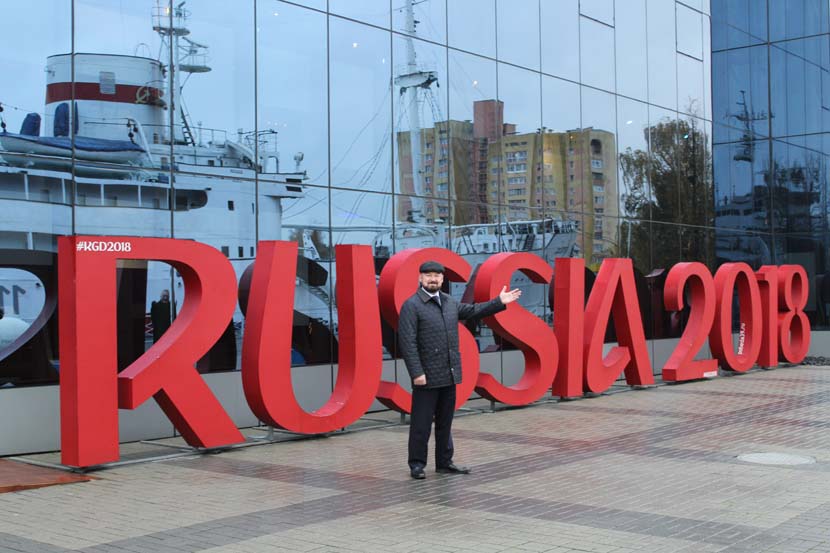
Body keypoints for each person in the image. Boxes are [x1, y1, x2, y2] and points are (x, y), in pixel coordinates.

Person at [397, 260, 522, 480]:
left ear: (442, 279)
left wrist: (499, 302)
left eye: (437, 275)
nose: (433, 279)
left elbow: (473, 310)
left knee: (445, 423)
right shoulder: (412, 305)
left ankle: (444, 462)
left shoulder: (449, 302)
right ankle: (416, 464)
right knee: (421, 424)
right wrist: (416, 373)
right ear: (420, 278)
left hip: (449, 373)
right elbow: (408, 343)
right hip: (426, 377)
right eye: (428, 275)